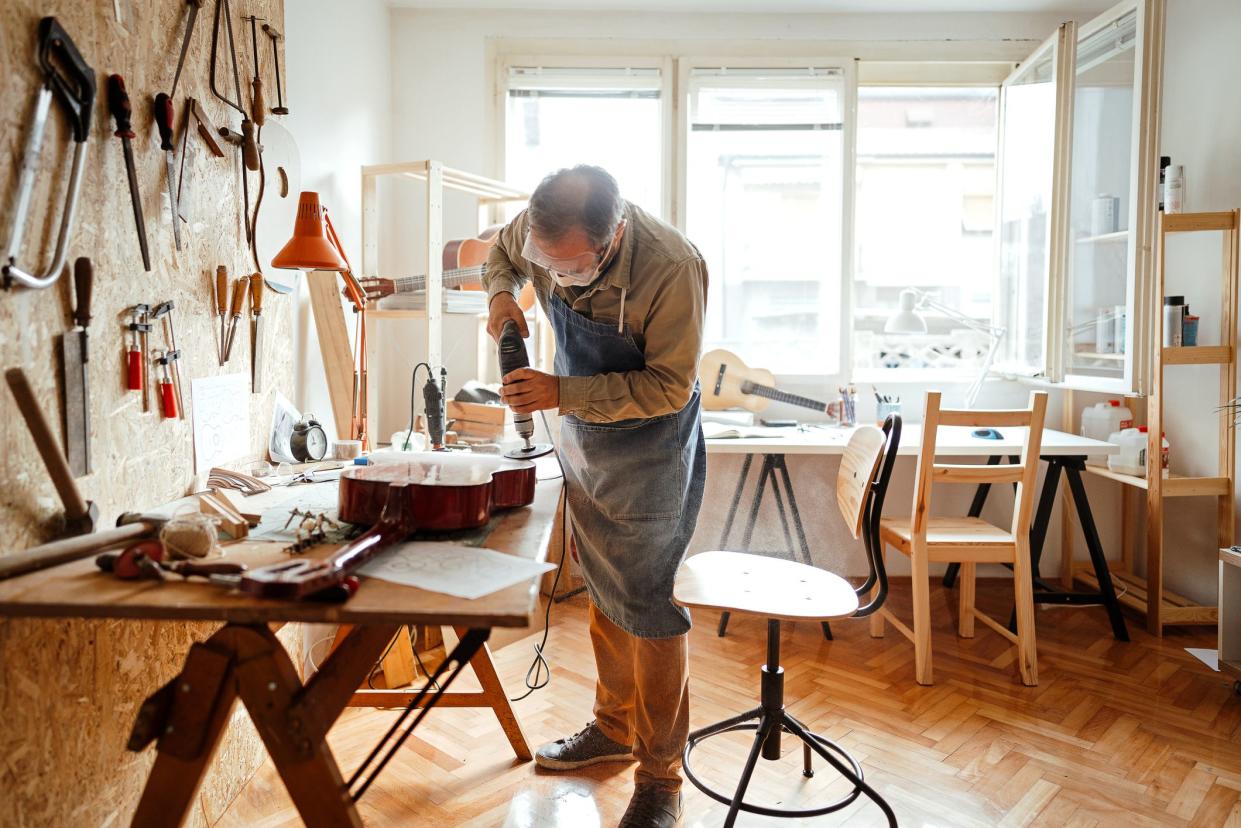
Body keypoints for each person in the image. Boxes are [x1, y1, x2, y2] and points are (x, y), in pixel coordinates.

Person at [483, 165, 707, 828]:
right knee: (604, 591)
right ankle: (612, 727)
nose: (554, 271)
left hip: (651, 449)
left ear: (609, 243)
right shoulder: (543, 228)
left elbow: (668, 386)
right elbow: (502, 251)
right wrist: (502, 297)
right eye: (544, 260)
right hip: (588, 445)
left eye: (569, 264)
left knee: (649, 605)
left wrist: (561, 394)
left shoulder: (671, 268)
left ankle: (661, 779)